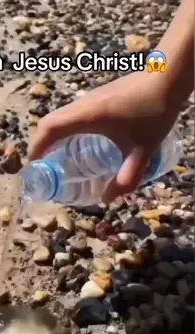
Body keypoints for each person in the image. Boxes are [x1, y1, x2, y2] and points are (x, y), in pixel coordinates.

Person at [29, 0, 194, 204]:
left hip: (167, 146)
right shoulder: (66, 183)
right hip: (166, 145)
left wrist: (162, 81)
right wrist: (161, 80)